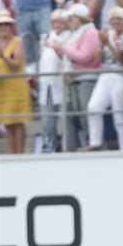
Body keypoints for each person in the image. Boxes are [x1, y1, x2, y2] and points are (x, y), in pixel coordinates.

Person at [49, 3, 101, 151]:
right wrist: (57, 49)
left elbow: (85, 57)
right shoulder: (77, 34)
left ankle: (94, 144)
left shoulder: (91, 32)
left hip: (87, 79)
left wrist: (61, 47)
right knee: (80, 116)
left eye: (72, 18)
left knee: (86, 115)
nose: (70, 22)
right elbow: (68, 56)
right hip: (76, 79)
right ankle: (86, 143)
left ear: (79, 18)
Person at [82, 6, 123, 151]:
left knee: (119, 115)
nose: (116, 22)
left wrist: (108, 43)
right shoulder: (107, 34)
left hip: (121, 75)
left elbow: (122, 59)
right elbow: (98, 59)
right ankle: (95, 142)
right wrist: (102, 44)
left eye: (119, 19)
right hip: (105, 74)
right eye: (113, 19)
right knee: (94, 107)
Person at [0, 10, 32, 154]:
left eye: (6, 24)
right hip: (2, 89)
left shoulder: (17, 42)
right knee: (7, 123)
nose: (3, 27)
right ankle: (12, 153)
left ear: (11, 26)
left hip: (16, 87)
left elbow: (16, 64)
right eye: (0, 25)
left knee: (17, 123)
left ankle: (20, 153)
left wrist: (3, 56)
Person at [38, 9, 70, 151]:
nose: (58, 25)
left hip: (62, 83)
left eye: (61, 22)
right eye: (56, 22)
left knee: (65, 119)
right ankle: (51, 144)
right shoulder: (45, 38)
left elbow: (67, 58)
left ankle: (66, 144)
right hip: (46, 85)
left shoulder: (69, 37)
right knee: (47, 121)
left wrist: (56, 47)